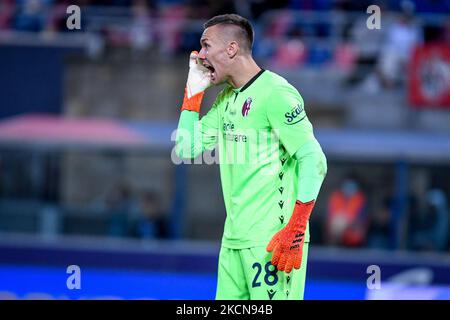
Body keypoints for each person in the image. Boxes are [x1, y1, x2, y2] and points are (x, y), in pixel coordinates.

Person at [174, 14, 327, 300]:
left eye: (206, 46)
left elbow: (314, 159)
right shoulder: (226, 100)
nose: (200, 56)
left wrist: (295, 229)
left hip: (273, 241)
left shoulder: (276, 93)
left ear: (231, 49)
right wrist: (192, 95)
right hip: (233, 240)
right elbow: (185, 150)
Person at [325, 177, 368, 247]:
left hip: (355, 243)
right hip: (337, 241)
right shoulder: (336, 197)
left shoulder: (360, 199)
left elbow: (362, 223)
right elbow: (328, 220)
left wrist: (347, 223)